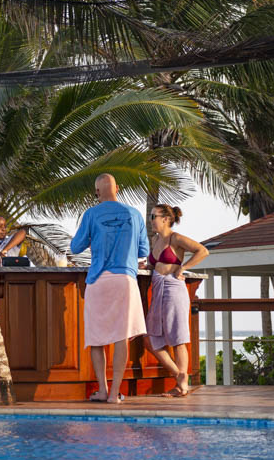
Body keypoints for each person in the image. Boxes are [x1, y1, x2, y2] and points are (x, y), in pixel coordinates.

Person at [70, 173, 148, 404]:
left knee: (96, 338)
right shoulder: (134, 214)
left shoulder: (91, 214)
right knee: (121, 337)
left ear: (96, 192)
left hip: (99, 280)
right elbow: (143, 250)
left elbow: (75, 247)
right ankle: (114, 394)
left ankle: (102, 390)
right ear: (118, 188)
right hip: (125, 279)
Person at [145, 204, 209, 397]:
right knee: (150, 338)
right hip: (158, 289)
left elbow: (203, 251)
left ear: (165, 218)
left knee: (178, 338)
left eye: (153, 216)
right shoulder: (156, 240)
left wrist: (184, 267)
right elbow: (154, 264)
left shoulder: (176, 238)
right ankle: (179, 375)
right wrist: (145, 264)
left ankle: (182, 386)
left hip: (173, 288)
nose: (151, 220)